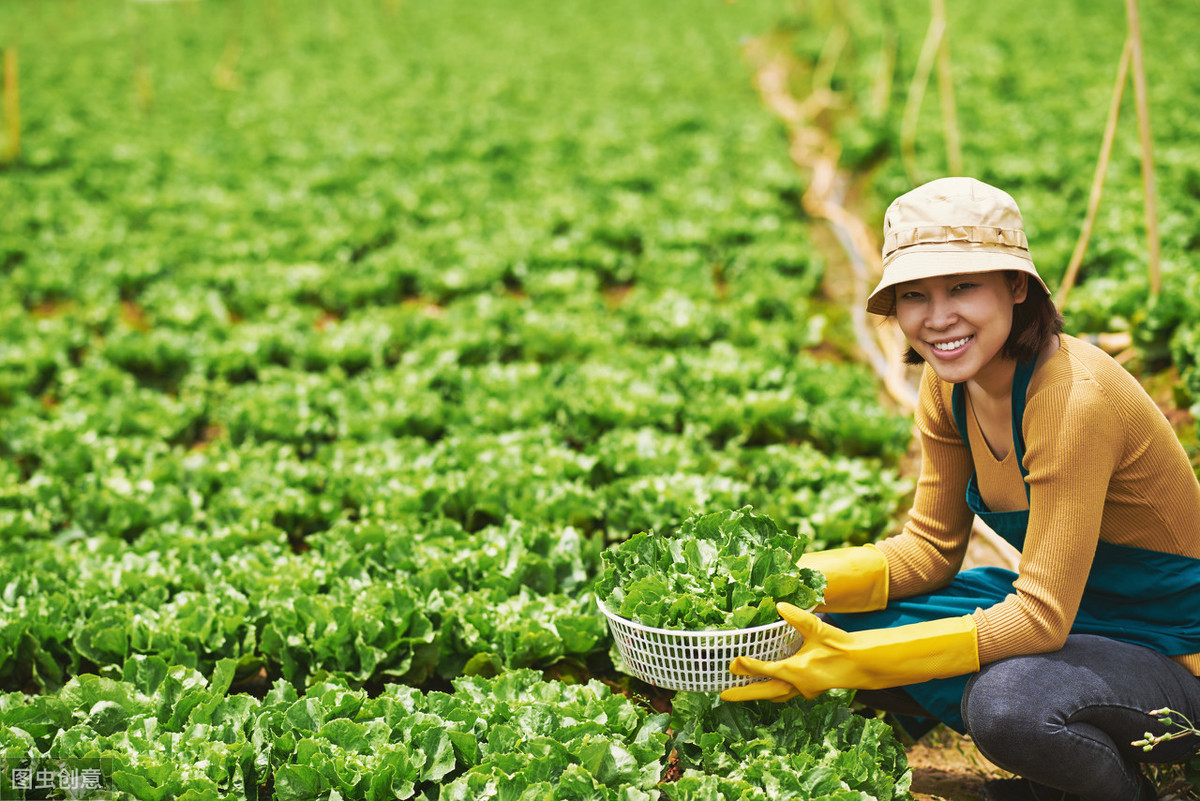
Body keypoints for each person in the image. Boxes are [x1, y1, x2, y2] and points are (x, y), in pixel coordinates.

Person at [721, 177, 1200, 801]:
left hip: (1172, 645)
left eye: (963, 287)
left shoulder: (1072, 399)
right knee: (826, 617)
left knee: (1009, 704)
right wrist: (784, 581)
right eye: (914, 295)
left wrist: (860, 661)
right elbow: (928, 551)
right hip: (1075, 613)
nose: (938, 318)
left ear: (1016, 286)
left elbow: (1038, 622)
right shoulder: (949, 384)